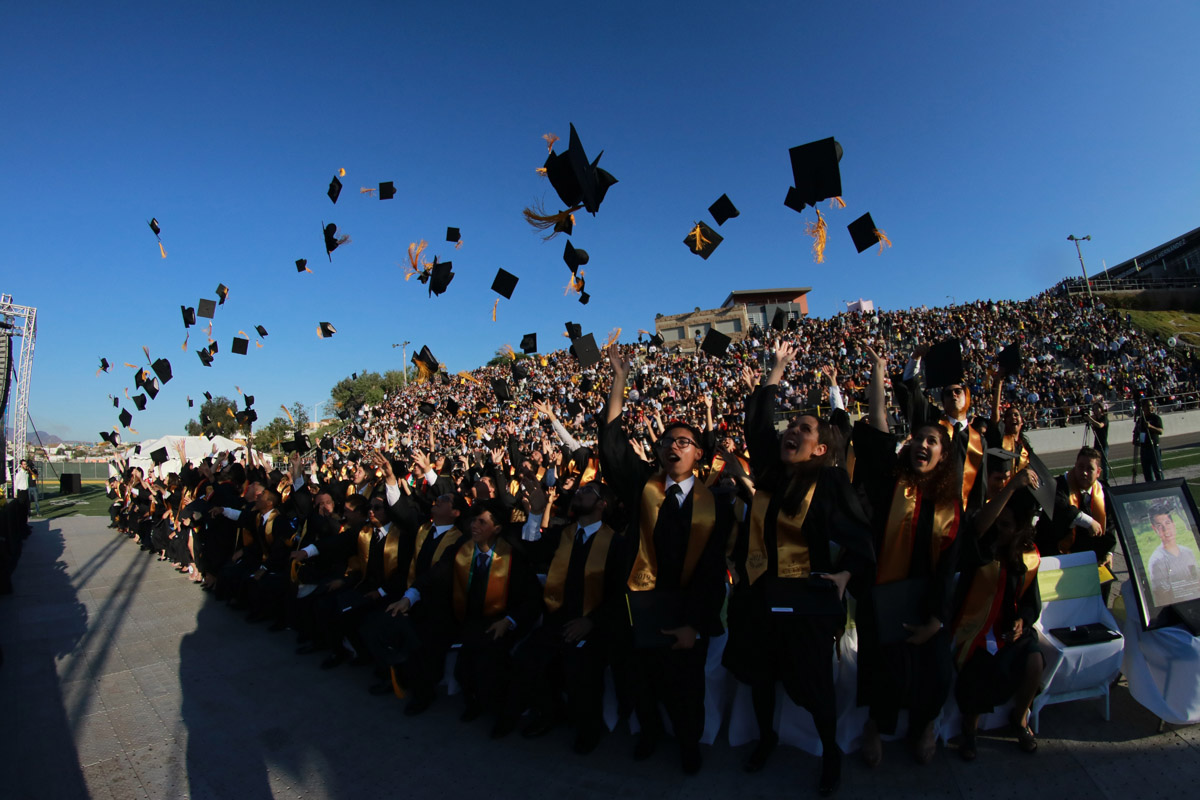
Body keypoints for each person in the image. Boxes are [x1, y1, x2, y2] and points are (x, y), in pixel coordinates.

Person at [724, 341, 873, 795]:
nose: (793, 431)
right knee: (762, 678)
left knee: (814, 687)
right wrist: (776, 369)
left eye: (805, 429)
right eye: (791, 425)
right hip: (760, 598)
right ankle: (767, 737)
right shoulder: (770, 474)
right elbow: (756, 424)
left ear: (820, 447)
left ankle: (830, 753)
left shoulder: (830, 482)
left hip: (807, 602)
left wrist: (847, 573)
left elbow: (861, 539)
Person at [600, 341, 732, 775]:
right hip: (641, 605)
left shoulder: (717, 504)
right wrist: (619, 381)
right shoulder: (644, 487)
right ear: (659, 453)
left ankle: (688, 743)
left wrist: (696, 623)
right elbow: (613, 445)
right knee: (642, 681)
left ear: (698, 453)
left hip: (685, 607)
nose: (675, 446)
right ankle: (651, 732)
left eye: (685, 441)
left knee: (685, 687)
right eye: (668, 441)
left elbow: (714, 572)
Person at [853, 345, 962, 766]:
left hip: (927, 600)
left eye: (932, 440)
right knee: (883, 667)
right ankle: (875, 726)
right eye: (917, 437)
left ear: (943, 453)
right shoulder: (890, 483)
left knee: (933, 668)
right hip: (884, 595)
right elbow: (879, 426)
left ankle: (925, 725)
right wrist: (879, 372)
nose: (922, 444)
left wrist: (937, 617)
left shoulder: (951, 504)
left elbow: (949, 566)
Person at [507, 480, 627, 754]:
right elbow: (532, 551)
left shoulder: (616, 543)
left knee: (583, 671)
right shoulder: (564, 533)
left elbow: (620, 593)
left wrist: (591, 621)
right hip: (557, 619)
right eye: (580, 490)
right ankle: (550, 711)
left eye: (588, 491)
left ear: (601, 504)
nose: (579, 493)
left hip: (593, 625)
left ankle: (589, 729)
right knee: (525, 659)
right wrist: (536, 514)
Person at [951, 455, 1044, 760]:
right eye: (999, 523)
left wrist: (1022, 620)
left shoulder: (1026, 558)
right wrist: (1010, 488)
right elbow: (978, 526)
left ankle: (1020, 718)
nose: (1000, 529)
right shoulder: (981, 552)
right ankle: (970, 730)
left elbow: (1032, 603)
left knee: (1034, 661)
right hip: (976, 627)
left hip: (1008, 630)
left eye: (1007, 525)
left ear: (1019, 529)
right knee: (977, 667)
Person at [1034, 447, 1115, 564]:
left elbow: (1110, 525)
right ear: (1075, 465)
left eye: (1090, 468)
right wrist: (1088, 521)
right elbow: (1061, 507)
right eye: (1081, 467)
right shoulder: (1058, 485)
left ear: (1098, 472)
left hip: (1089, 558)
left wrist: (1109, 552)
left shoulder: (1104, 492)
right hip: (1056, 556)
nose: (1084, 472)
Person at [1145, 501, 1200, 607]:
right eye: (1159, 526)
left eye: (1167, 523)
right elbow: (1162, 598)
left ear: (1173, 524)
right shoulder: (1157, 561)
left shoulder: (1188, 552)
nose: (1165, 530)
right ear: (1154, 529)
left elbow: (1196, 580)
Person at [1134, 399, 1164, 482]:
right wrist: (1135, 439)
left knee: (1157, 470)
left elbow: (1160, 431)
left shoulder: (1155, 418)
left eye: (1150, 405)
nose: (1149, 407)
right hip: (1144, 448)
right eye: (1147, 406)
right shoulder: (1141, 420)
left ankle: (1161, 485)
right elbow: (1136, 431)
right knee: (1147, 472)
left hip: (1153, 446)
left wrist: (1150, 427)